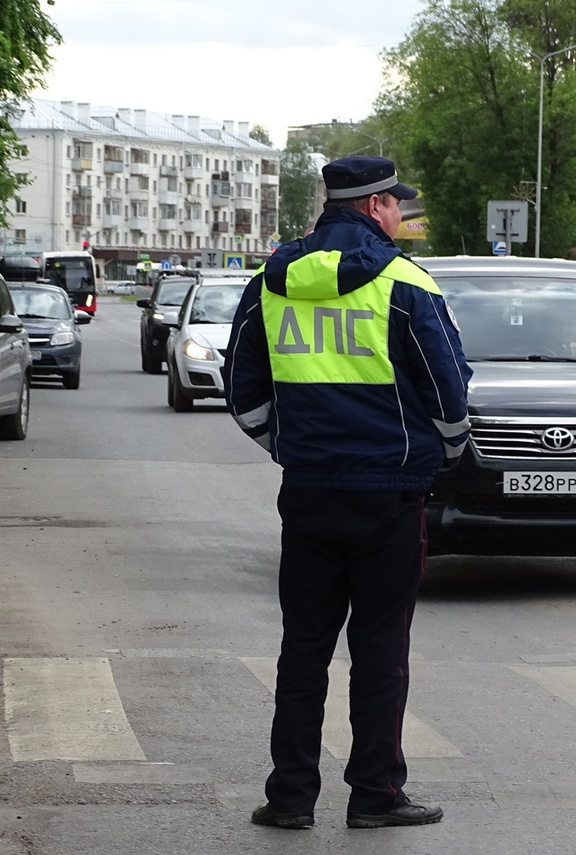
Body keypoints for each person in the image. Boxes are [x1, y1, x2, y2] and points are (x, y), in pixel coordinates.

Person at [223, 156, 472, 832]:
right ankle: (375, 794)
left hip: (308, 491)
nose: (403, 214)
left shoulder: (270, 281)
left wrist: (288, 446)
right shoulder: (406, 284)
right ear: (373, 208)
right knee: (380, 649)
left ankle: (290, 797)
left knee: (303, 645)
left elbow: (242, 391)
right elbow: (450, 394)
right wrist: (439, 456)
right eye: (398, 203)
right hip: (389, 495)